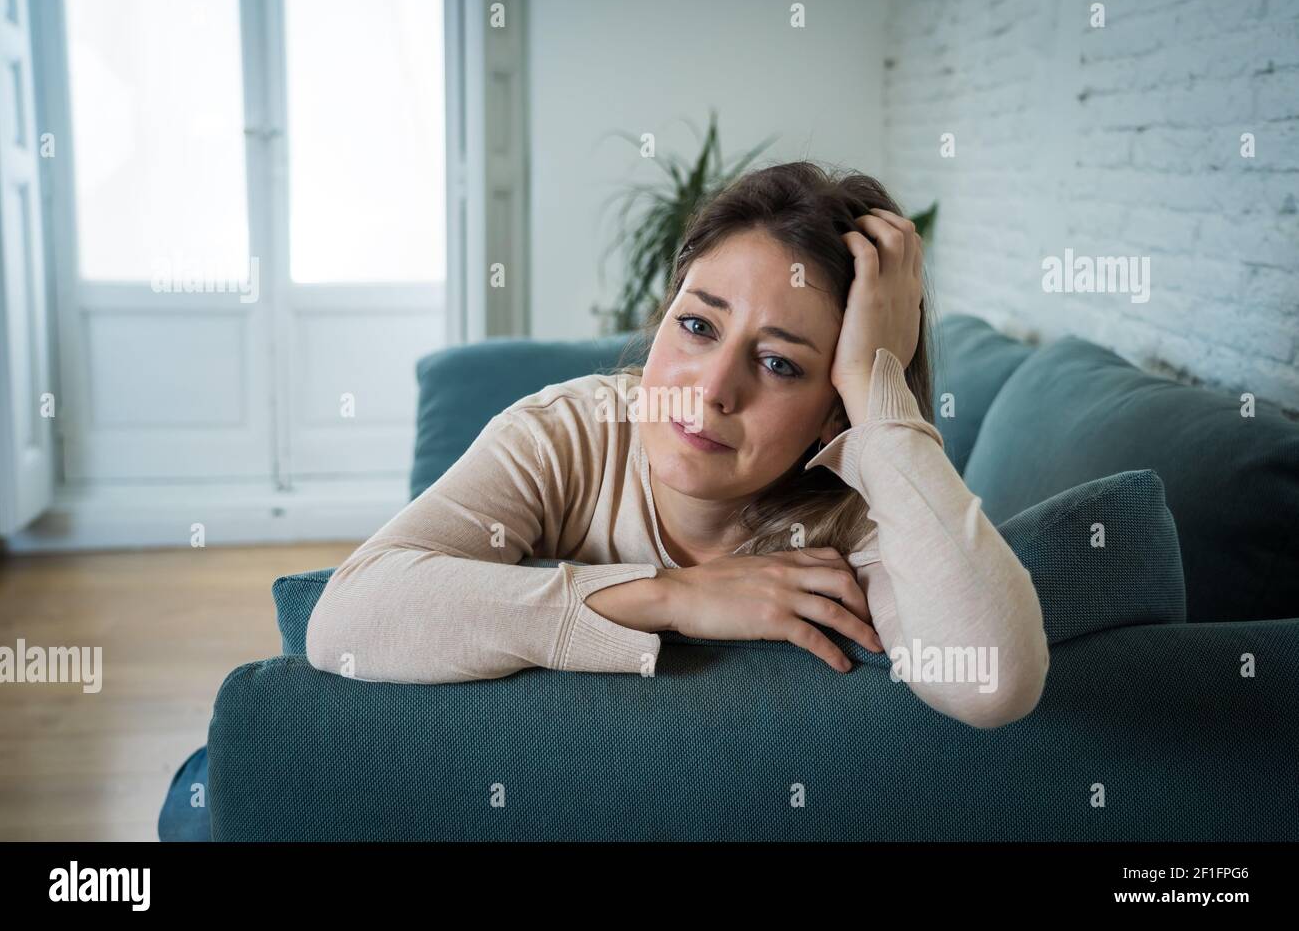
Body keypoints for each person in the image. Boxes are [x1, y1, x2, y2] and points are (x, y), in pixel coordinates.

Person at [305, 161, 1049, 729]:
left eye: (779, 363)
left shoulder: (858, 519)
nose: (712, 388)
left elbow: (993, 681)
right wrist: (672, 598)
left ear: (835, 412)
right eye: (698, 325)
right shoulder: (567, 434)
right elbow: (346, 620)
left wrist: (880, 400)